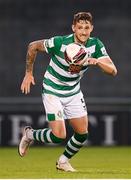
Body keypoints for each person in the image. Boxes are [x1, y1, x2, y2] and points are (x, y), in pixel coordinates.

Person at [18, 12, 117, 172]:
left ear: (92, 28)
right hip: (52, 89)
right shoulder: (60, 42)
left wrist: (97, 62)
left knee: (82, 134)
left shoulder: (95, 45)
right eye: (79, 28)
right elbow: (33, 46)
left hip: (73, 92)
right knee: (58, 135)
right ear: (73, 28)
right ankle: (30, 135)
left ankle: (63, 161)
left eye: (87, 27)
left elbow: (113, 71)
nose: (83, 32)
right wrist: (29, 73)